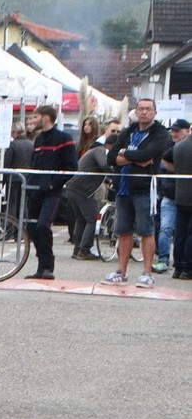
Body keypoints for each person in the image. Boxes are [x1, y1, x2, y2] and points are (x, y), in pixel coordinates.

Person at [104, 98, 170, 288]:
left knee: (145, 230)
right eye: (140, 108)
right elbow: (110, 157)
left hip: (144, 188)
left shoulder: (160, 133)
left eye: (148, 109)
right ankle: (121, 272)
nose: (143, 112)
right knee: (123, 230)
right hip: (123, 187)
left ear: (154, 112)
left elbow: (147, 155)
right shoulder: (128, 131)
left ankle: (147, 273)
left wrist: (126, 154)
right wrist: (134, 157)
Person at [23, 104, 78, 280]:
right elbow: (34, 164)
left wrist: (53, 185)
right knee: (32, 227)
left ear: (46, 118)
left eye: (35, 117)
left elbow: (71, 167)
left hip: (52, 192)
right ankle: (41, 266)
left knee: (42, 225)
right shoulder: (38, 140)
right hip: (35, 191)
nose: (32, 121)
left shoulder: (64, 138)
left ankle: (48, 266)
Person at [65, 123, 113, 260]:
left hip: (73, 188)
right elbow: (104, 165)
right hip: (82, 190)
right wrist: (114, 172)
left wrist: (107, 180)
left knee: (81, 219)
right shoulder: (100, 150)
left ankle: (77, 249)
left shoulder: (94, 151)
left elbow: (94, 169)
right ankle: (84, 250)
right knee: (92, 219)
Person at [154, 118, 189, 273]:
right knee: (166, 228)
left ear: (187, 131)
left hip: (183, 196)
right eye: (173, 131)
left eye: (178, 131)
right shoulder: (170, 146)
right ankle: (164, 259)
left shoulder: (183, 146)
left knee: (182, 231)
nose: (174, 134)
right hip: (169, 194)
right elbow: (162, 163)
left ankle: (180, 264)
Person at [168, 118, 192, 280]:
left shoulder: (179, 146)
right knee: (191, 233)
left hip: (180, 194)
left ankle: (178, 266)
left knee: (180, 232)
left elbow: (165, 159)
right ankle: (188, 267)